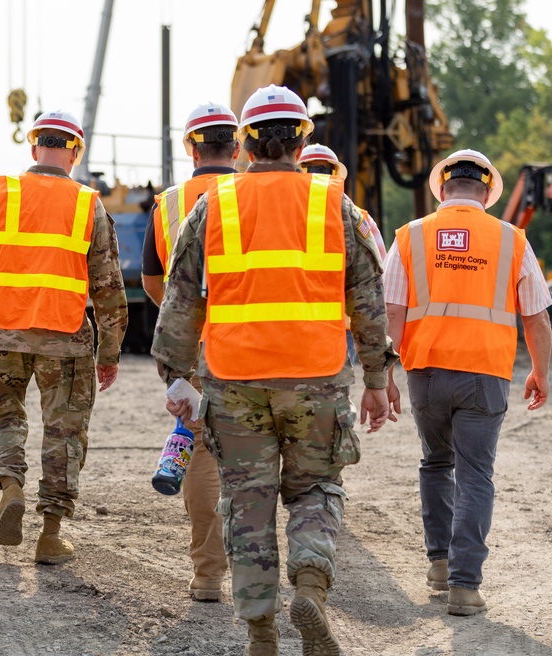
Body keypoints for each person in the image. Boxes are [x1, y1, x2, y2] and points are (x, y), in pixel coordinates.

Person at [151, 84, 396, 656]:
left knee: (247, 499)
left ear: (246, 142)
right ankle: (310, 582)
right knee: (314, 487)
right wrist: (379, 380)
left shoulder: (214, 206)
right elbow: (368, 297)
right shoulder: (334, 204)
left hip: (233, 379)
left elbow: (181, 299)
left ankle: (261, 629)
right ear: (302, 138)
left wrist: (178, 377)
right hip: (317, 375)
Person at [0, 110, 128, 566]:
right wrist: (109, 352)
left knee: (5, 414)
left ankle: (10, 484)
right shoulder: (90, 204)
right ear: (74, 152)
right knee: (64, 431)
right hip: (66, 338)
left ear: (33, 149)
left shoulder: (2, 193)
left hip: (4, 333)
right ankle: (50, 534)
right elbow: (108, 287)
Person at [383, 149, 552, 616]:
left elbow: (391, 312)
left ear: (442, 189)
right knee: (475, 473)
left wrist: (384, 375)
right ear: (486, 191)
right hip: (485, 375)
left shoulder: (410, 237)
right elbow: (536, 318)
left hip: (426, 373)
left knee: (436, 463)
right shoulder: (511, 240)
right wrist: (540, 371)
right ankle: (463, 586)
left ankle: (439, 563)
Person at [141, 101, 239, 603]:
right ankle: (260, 568)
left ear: (190, 147)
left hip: (199, 346)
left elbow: (152, 278)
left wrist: (183, 320)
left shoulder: (171, 202)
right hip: (253, 343)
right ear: (237, 146)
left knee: (200, 452)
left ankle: (207, 576)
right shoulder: (252, 195)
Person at [297, 143, 387, 365]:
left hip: (293, 325)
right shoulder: (359, 218)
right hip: (339, 326)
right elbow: (377, 278)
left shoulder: (279, 215)